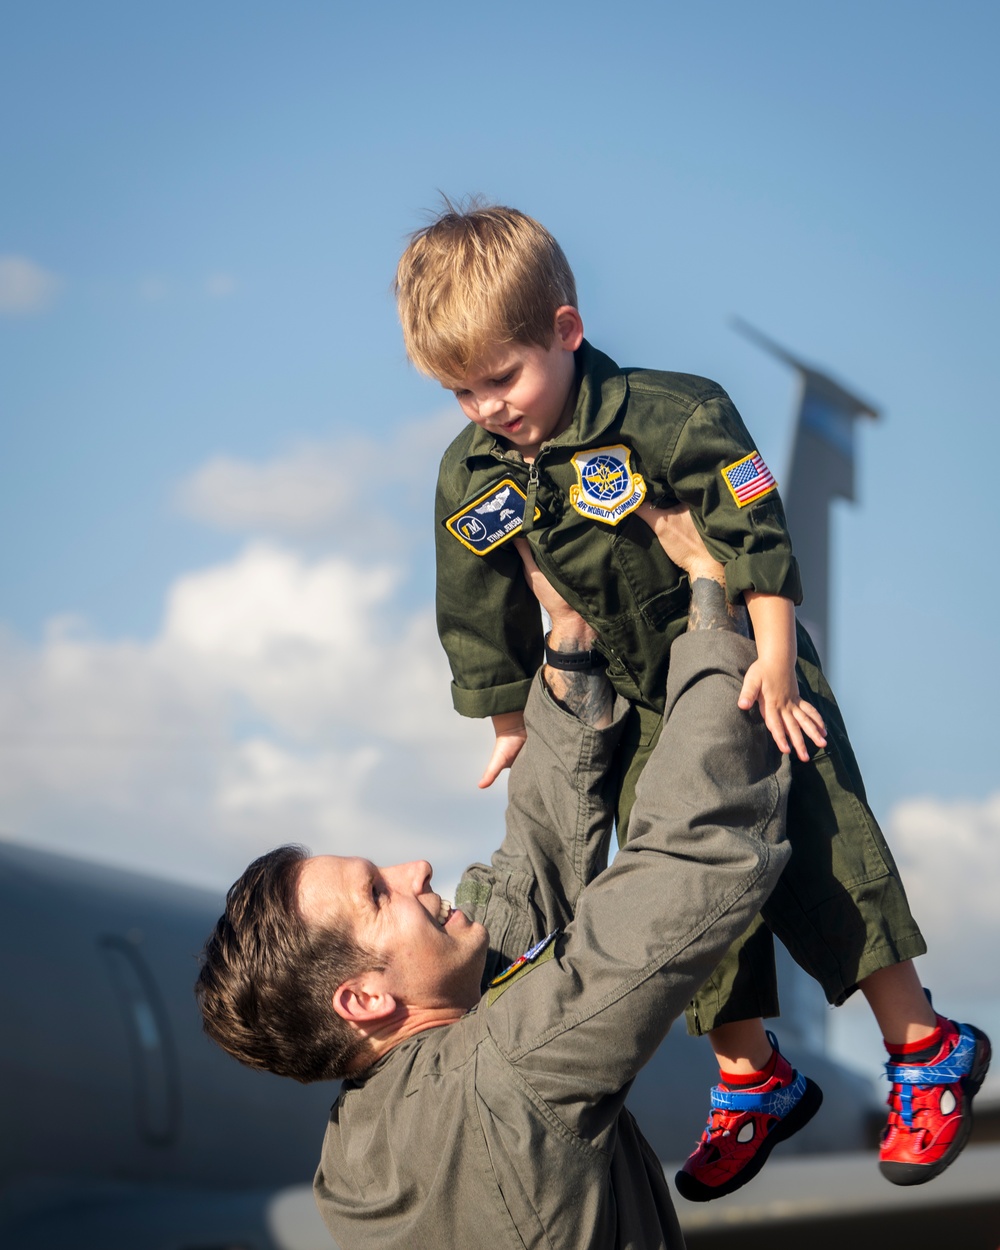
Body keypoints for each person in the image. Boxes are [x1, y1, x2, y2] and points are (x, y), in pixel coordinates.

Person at [392, 201, 991, 1197]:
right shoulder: (473, 471)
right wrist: (507, 717)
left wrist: (777, 666)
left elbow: (752, 528)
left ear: (565, 331)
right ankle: (751, 1077)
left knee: (825, 850)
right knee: (675, 894)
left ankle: (924, 1044)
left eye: (502, 377)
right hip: (635, 702)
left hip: (747, 669)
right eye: (461, 392)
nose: (489, 407)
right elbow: (474, 591)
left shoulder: (672, 412)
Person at [197, 517, 793, 1249]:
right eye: (378, 895)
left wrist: (568, 645)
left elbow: (526, 878)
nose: (414, 869)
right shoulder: (503, 1074)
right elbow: (688, 860)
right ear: (364, 999)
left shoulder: (356, 1160)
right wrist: (713, 603)